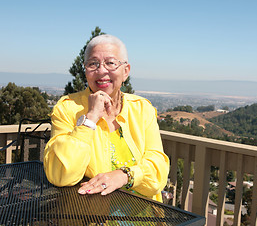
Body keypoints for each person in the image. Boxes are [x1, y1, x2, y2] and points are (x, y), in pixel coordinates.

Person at [44, 34, 169, 202]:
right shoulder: (68, 108)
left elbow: (158, 171)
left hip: (145, 214)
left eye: (110, 63)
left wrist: (125, 176)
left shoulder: (142, 108)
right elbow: (59, 175)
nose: (101, 70)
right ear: (85, 70)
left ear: (126, 71)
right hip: (91, 214)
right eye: (93, 63)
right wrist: (90, 119)